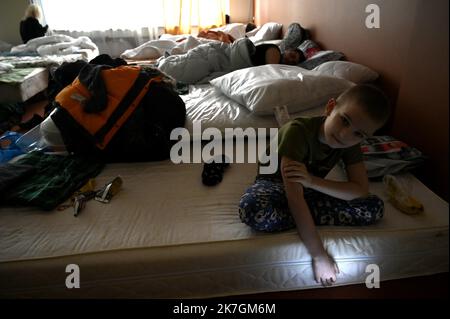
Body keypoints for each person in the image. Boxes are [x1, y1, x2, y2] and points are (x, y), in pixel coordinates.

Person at [238, 84, 390, 286]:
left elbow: (360, 190)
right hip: (273, 183)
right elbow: (294, 196)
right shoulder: (297, 132)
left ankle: (304, 217)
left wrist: (312, 181)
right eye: (344, 121)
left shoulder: (351, 144)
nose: (345, 135)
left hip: (309, 187)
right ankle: (306, 217)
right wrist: (319, 255)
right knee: (253, 209)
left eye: (358, 134)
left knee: (374, 206)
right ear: (330, 108)